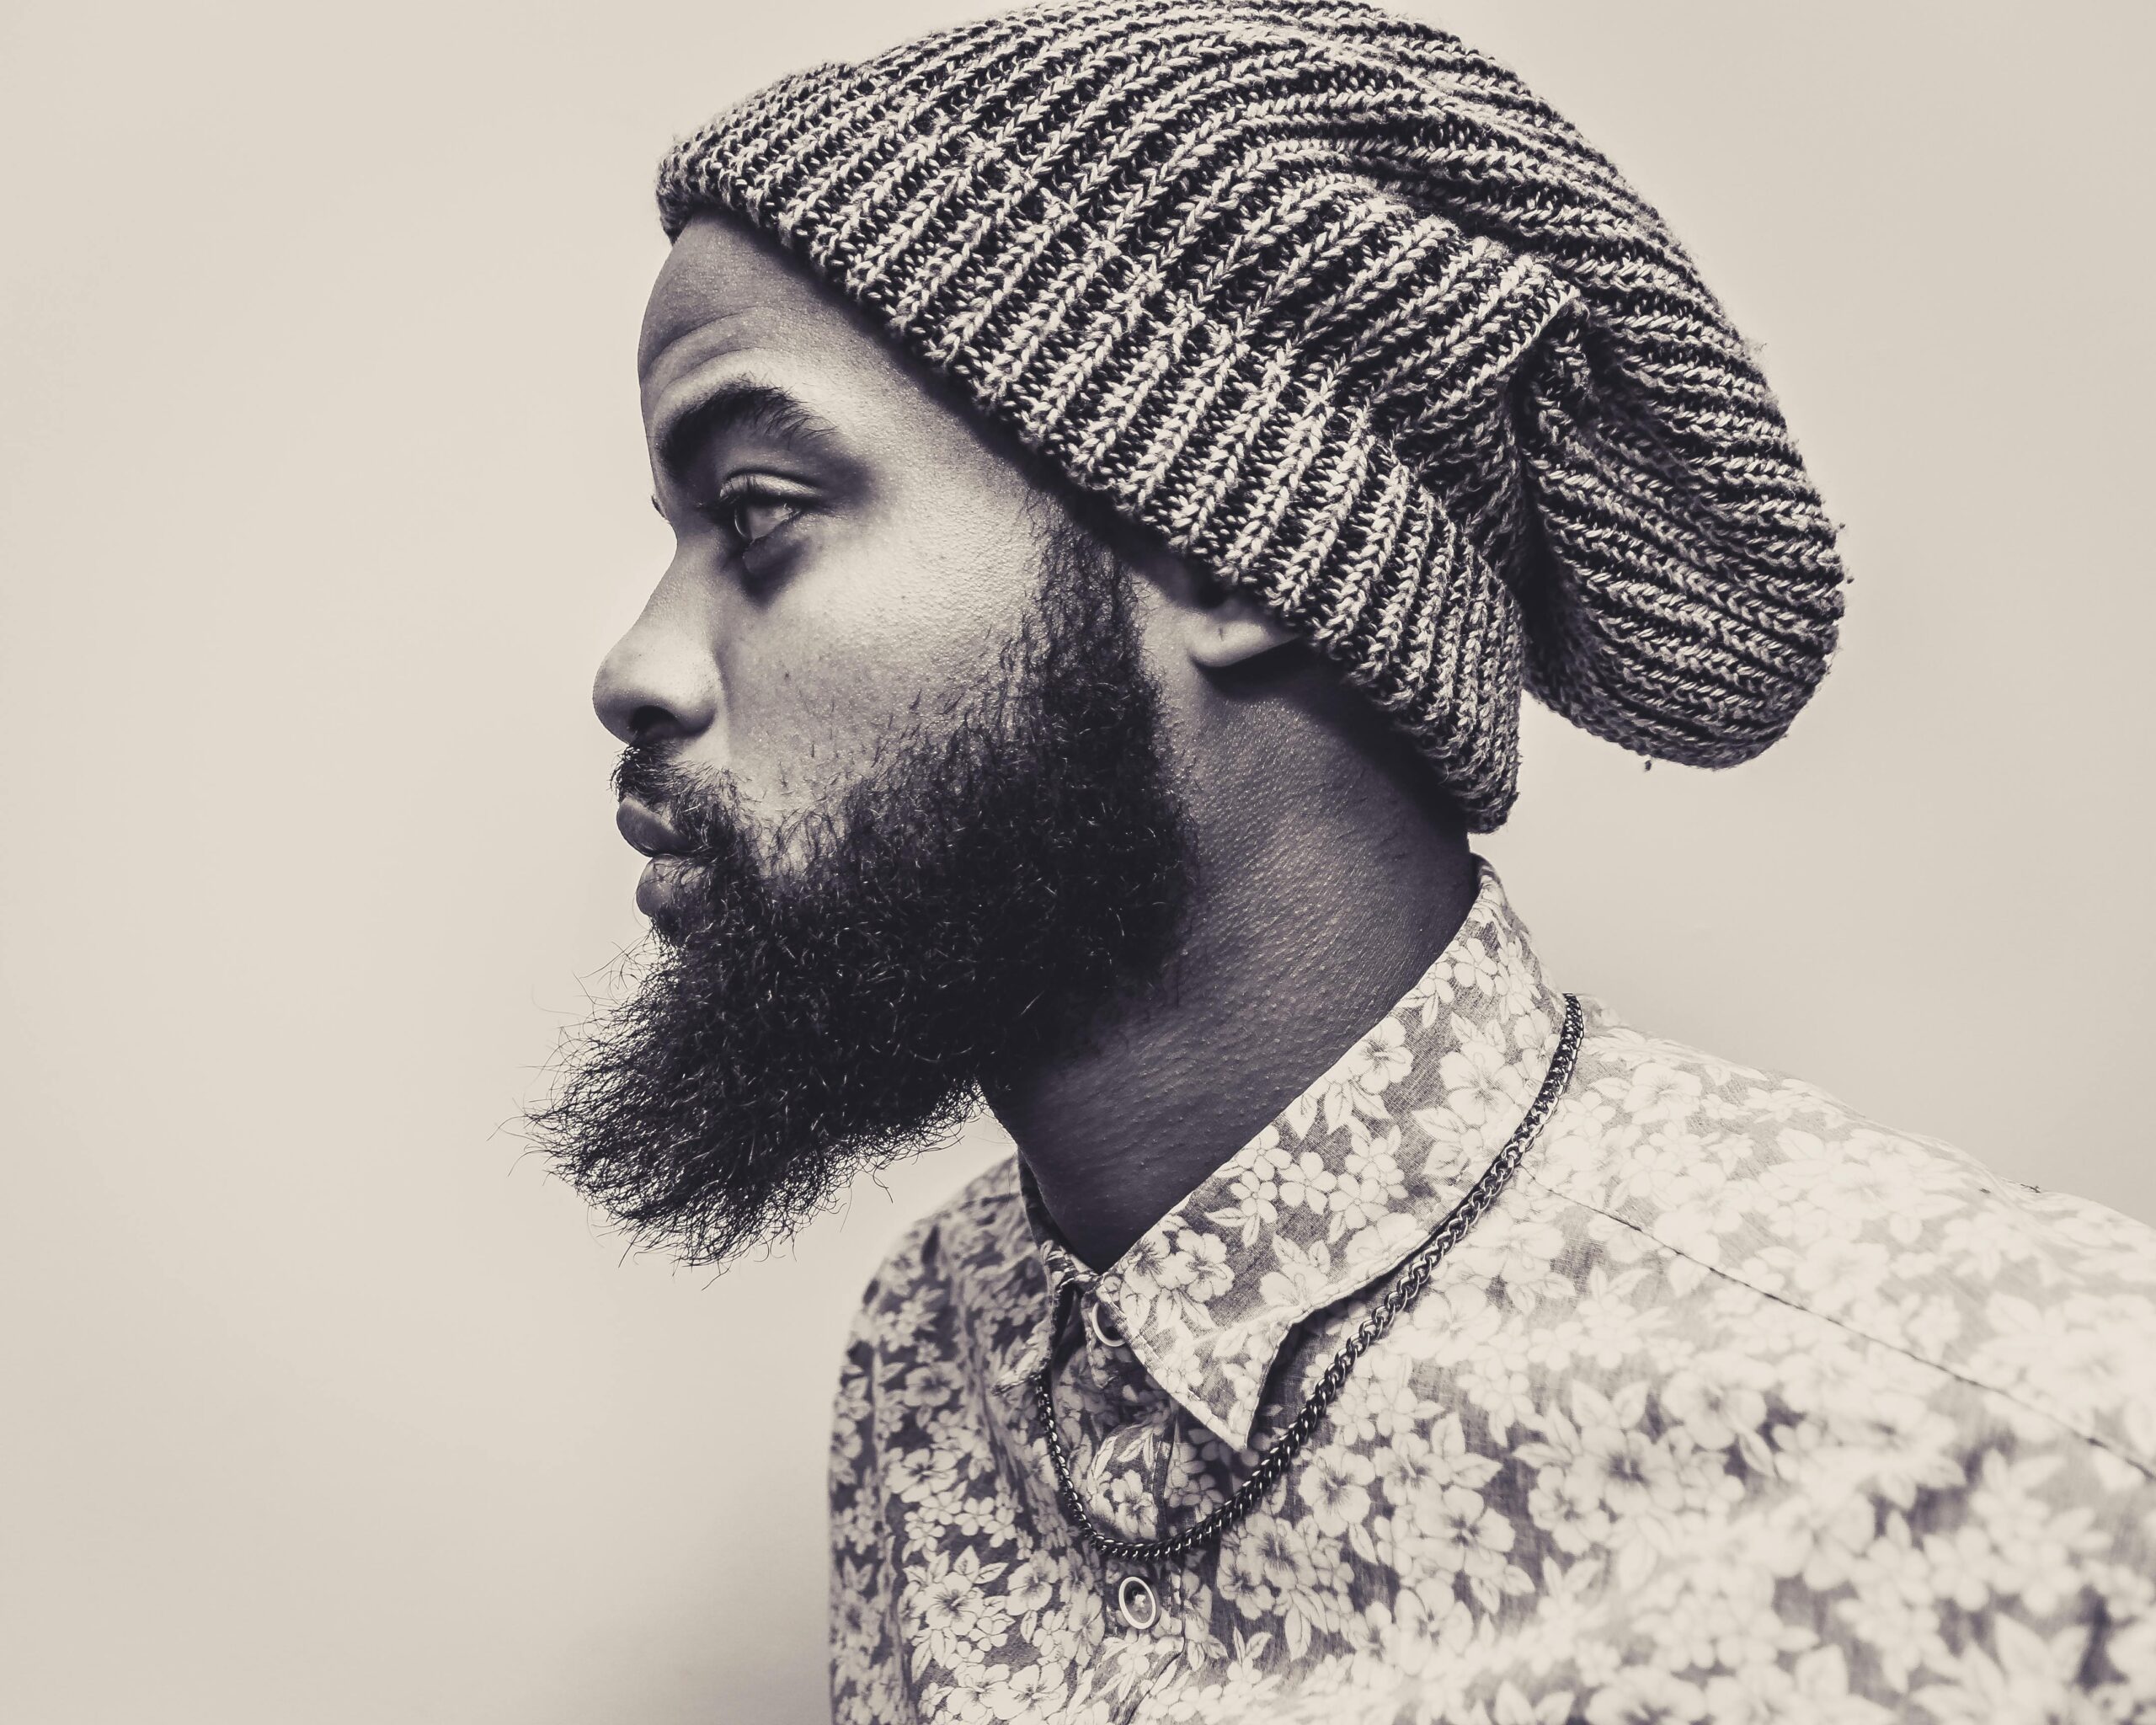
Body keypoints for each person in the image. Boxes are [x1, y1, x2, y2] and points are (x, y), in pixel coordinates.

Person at [532, 3, 2156, 1717]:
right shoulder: (930, 1360)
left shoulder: (2024, 1434)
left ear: (1227, 550)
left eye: (760, 511)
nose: (635, 664)